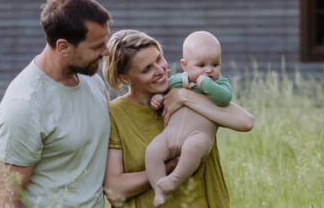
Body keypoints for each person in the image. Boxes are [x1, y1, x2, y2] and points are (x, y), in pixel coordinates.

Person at [102, 30, 254, 208]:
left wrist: (185, 97)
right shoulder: (115, 114)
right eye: (147, 69)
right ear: (125, 78)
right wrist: (171, 166)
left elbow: (246, 122)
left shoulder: (192, 90)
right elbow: (115, 189)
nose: (160, 70)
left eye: (159, 59)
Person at [0, 0, 113, 208]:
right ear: (63, 47)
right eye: (96, 46)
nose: (106, 52)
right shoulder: (24, 106)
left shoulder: (92, 80)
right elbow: (4, 198)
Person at [145, 31, 232, 207]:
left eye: (215, 64)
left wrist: (206, 84)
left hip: (198, 136)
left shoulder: (220, 84)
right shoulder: (177, 81)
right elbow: (162, 91)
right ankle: (159, 189)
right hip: (170, 134)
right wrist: (158, 98)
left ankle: (174, 180)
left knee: (194, 148)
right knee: (152, 151)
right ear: (185, 65)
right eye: (201, 65)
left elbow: (224, 99)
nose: (209, 70)